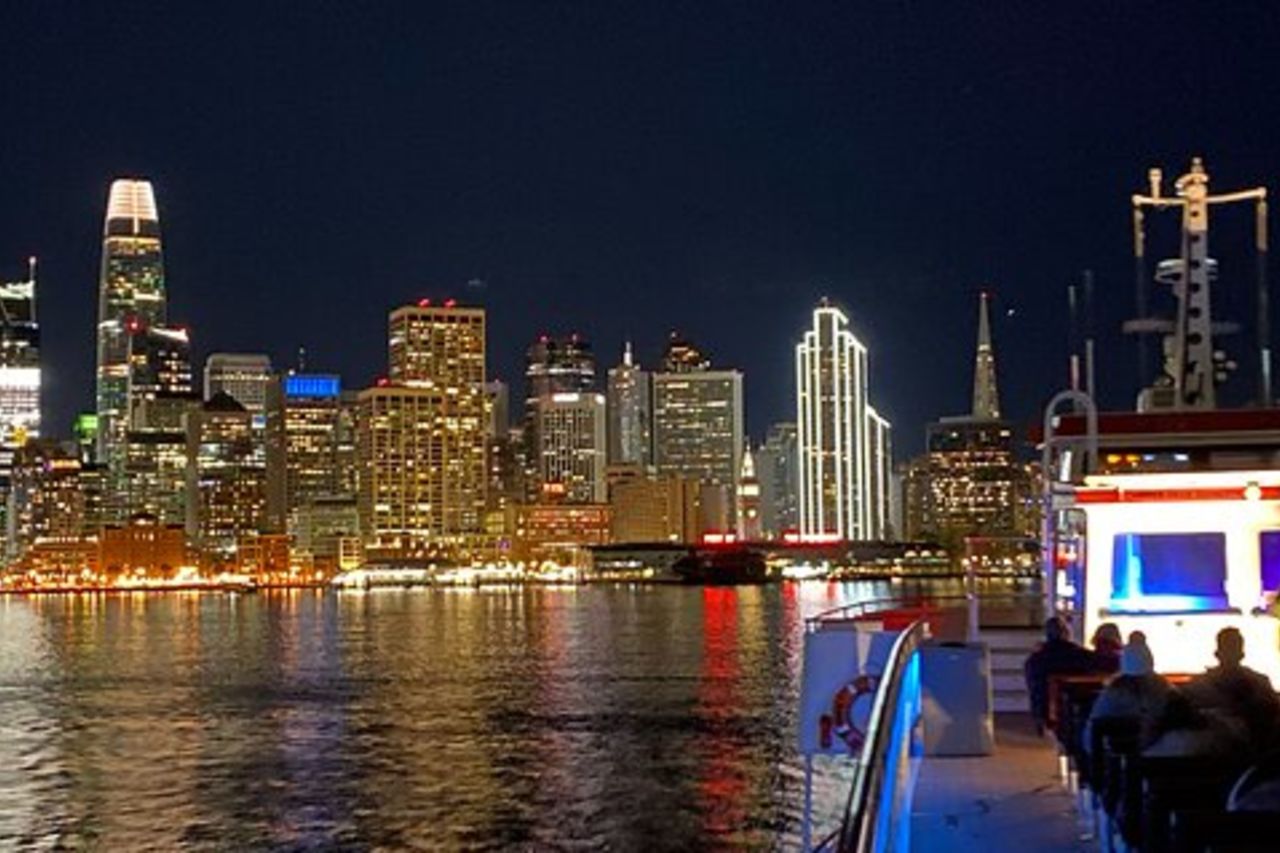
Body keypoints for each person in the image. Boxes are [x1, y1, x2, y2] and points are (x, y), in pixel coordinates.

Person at [1183, 627, 1280, 750]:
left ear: (1217, 653)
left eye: (1232, 648)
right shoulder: (1260, 683)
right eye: (1229, 648)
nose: (1230, 653)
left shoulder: (1197, 686)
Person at [1083, 634, 1174, 753]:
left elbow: (1090, 739)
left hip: (1114, 761)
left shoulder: (1110, 694)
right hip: (1157, 761)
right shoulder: (1165, 690)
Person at [1024, 615, 1097, 733]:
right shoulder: (1080, 655)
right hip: (1077, 708)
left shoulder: (1035, 659)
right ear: (1066, 633)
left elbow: (1033, 687)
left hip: (1044, 709)